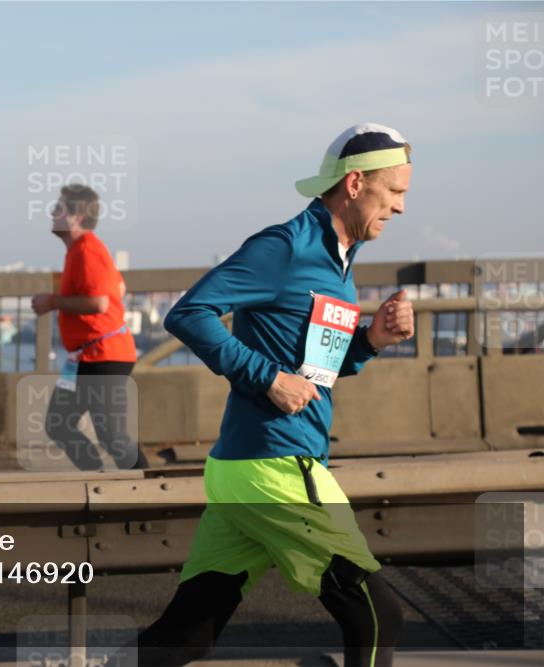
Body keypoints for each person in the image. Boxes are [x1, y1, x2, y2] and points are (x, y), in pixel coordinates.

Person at [133, 123, 416, 666]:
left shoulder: (337, 261)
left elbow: (314, 369)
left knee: (188, 633)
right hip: (275, 466)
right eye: (395, 192)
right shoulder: (285, 247)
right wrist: (266, 377)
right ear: (355, 184)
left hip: (247, 467)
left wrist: (373, 339)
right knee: (377, 614)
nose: (401, 207)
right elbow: (189, 313)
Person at [31, 183, 148, 471]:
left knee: (112, 434)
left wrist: (53, 301)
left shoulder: (87, 251)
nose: (52, 211)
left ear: (77, 217)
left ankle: (153, 491)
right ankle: (96, 482)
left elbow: (98, 303)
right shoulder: (81, 252)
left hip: (105, 354)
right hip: (87, 357)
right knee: (59, 423)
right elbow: (117, 287)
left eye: (58, 208)